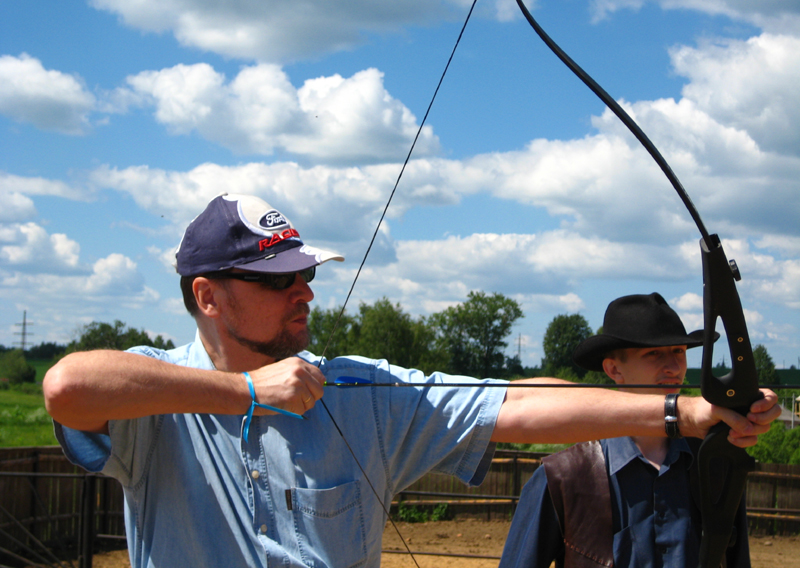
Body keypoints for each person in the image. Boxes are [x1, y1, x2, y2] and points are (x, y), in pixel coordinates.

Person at [44, 194, 777, 568]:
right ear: (208, 296)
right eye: (278, 281)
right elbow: (68, 386)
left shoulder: (357, 392)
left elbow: (520, 403)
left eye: (306, 276)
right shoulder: (155, 396)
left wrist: (685, 411)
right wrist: (244, 394)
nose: (304, 292)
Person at [498, 293, 752, 568]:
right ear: (614, 369)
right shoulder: (561, 478)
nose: (673, 367)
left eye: (679, 351)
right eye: (653, 353)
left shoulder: (716, 466)